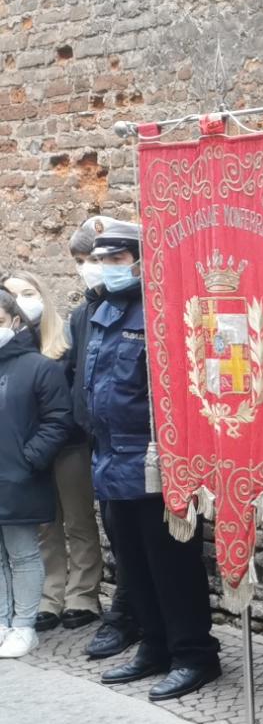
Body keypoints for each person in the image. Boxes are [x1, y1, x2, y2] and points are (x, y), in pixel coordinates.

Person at [85, 220, 222, 700]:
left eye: (117, 260)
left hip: (157, 463)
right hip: (110, 461)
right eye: (103, 261)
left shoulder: (165, 311)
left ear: (143, 262)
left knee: (172, 566)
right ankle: (154, 644)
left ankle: (194, 653)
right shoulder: (105, 311)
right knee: (133, 566)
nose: (108, 269)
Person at [3, 269, 101, 636]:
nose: (22, 300)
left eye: (28, 292)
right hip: (28, 449)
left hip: (70, 444)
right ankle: (50, 595)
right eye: (12, 295)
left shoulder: (66, 337)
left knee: (78, 520)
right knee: (45, 525)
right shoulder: (12, 342)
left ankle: (84, 595)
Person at [66, 219, 140, 662]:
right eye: (84, 262)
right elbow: (81, 375)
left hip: (132, 444)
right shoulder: (86, 312)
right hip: (101, 443)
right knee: (118, 534)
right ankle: (130, 618)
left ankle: (127, 616)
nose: (91, 269)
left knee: (134, 542)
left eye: (99, 259)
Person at [0, 287, 75, 658]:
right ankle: (1, 621)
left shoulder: (39, 367)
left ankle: (23, 625)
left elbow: (58, 421)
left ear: (14, 322)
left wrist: (28, 459)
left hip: (19, 476)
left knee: (22, 552)